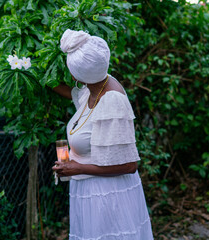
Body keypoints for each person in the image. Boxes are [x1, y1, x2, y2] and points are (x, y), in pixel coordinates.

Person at [52, 29, 154, 240]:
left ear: (76, 75)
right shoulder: (96, 84)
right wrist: (41, 77)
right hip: (91, 191)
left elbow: (129, 166)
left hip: (108, 196)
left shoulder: (112, 100)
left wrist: (77, 167)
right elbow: (75, 95)